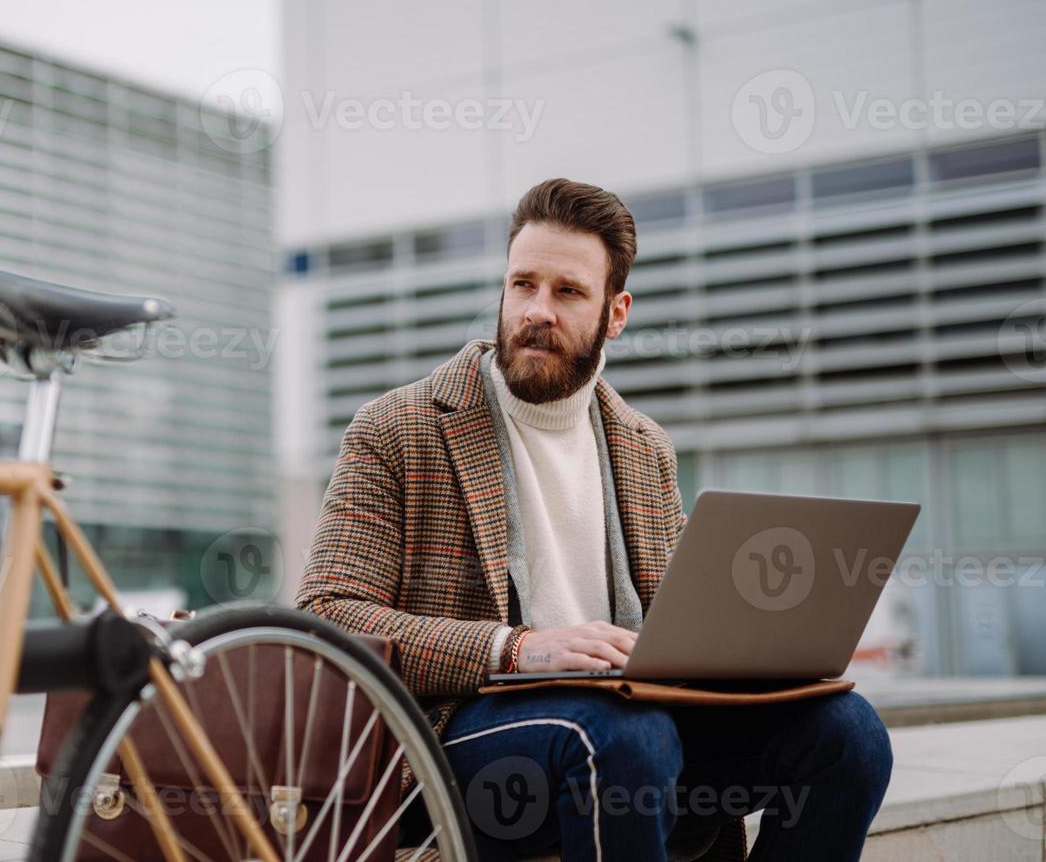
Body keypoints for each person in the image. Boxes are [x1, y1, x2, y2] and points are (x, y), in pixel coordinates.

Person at [296, 179, 892, 861]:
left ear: (616, 312)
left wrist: (756, 651)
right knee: (624, 737)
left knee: (847, 733)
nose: (537, 311)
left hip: (642, 732)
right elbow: (329, 614)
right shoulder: (399, 428)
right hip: (457, 741)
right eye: (522, 285)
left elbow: (681, 626)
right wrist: (515, 648)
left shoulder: (644, 446)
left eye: (568, 292)